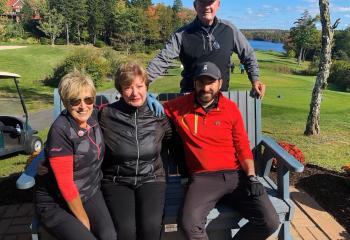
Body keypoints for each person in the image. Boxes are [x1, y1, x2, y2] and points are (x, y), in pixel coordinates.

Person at [164, 62, 279, 240]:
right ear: (194, 83)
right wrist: (148, 101)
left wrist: (251, 177)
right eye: (201, 82)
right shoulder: (179, 106)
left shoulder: (230, 108)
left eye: (210, 82)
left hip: (237, 176)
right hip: (203, 179)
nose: (206, 87)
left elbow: (242, 146)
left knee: (270, 221)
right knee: (189, 224)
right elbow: (154, 107)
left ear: (220, 83)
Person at [34, 71, 117, 240]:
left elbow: (121, 110)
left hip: (89, 191)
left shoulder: (95, 116)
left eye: (88, 99)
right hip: (56, 201)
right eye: (75, 101)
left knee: (109, 236)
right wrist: (83, 219)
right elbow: (65, 184)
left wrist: (150, 101)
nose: (83, 106)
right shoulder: (61, 130)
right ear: (65, 102)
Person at [99, 62, 172, 240]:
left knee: (151, 228)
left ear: (146, 86)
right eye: (128, 87)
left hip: (152, 177)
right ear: (120, 89)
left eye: (139, 86)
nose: (135, 93)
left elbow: (172, 138)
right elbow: (77, 126)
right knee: (125, 231)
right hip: (117, 180)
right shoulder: (106, 114)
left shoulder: (157, 114)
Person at [147, 0, 266, 98]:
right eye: (202, 2)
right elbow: (162, 59)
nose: (207, 7)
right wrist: (141, 82)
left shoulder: (229, 29)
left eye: (210, 2)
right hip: (189, 99)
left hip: (220, 99)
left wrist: (255, 80)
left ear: (218, 4)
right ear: (195, 5)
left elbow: (248, 55)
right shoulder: (182, 34)